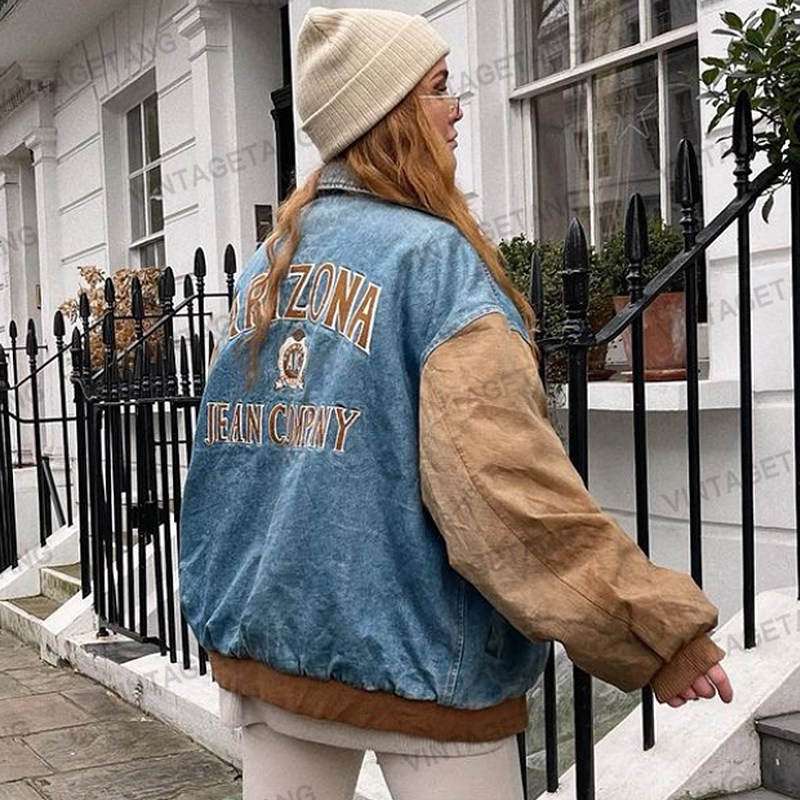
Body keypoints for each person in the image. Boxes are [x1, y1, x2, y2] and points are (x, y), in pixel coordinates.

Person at [178, 7, 733, 800]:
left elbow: (227, 466)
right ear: (390, 114)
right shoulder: (434, 263)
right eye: (439, 89)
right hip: (424, 671)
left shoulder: (266, 267)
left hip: (269, 656)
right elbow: (499, 485)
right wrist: (652, 630)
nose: (458, 109)